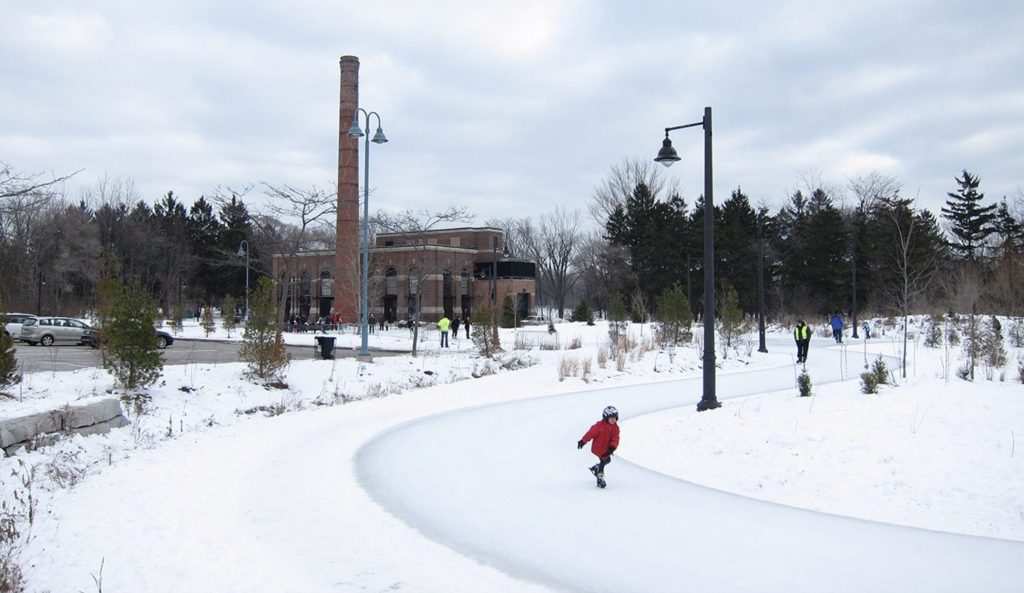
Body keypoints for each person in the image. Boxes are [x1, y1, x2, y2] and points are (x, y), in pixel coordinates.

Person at [577, 406, 620, 489]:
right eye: (611, 418)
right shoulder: (599, 426)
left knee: (607, 460)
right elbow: (590, 434)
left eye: (615, 418)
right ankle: (600, 477)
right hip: (598, 448)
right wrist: (583, 441)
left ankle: (597, 468)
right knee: (604, 461)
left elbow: (615, 438)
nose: (613, 420)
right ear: (606, 417)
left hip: (607, 449)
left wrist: (612, 448)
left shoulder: (615, 428)